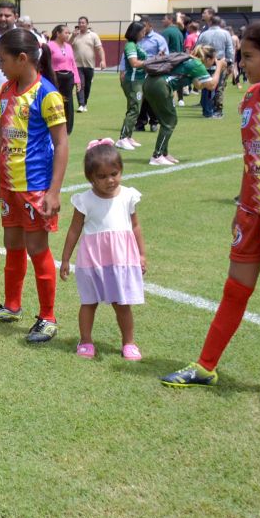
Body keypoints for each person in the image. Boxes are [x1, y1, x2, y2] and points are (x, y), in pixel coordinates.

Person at [161, 20, 260, 403]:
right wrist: (241, 204)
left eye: (248, 56)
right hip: (252, 213)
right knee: (235, 291)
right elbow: (251, 159)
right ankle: (205, 366)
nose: (242, 63)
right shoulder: (250, 97)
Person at [0, 28, 69, 343]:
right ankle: (12, 306)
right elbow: (2, 133)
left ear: (22, 58)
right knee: (12, 246)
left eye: (3, 60)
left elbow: (62, 144)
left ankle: (48, 318)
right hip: (8, 186)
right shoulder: (7, 90)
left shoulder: (47, 94)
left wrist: (53, 192)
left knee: (38, 249)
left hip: (35, 187)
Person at [59, 139, 146, 360]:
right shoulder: (85, 200)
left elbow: (135, 226)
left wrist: (141, 255)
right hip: (92, 260)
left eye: (114, 174)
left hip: (121, 259)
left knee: (122, 303)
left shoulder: (128, 196)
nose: (110, 180)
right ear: (90, 178)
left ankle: (129, 342)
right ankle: (86, 341)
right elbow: (73, 230)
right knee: (89, 302)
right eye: (102, 176)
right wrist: (66, 259)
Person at [142, 44, 226, 165]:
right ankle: (157, 155)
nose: (214, 62)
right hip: (160, 86)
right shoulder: (197, 64)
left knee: (168, 120)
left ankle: (163, 153)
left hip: (150, 83)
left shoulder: (190, 61)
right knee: (170, 121)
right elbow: (212, 85)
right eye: (214, 60)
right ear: (208, 59)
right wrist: (219, 67)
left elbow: (198, 85)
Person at [115, 22, 149, 150]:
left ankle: (128, 136)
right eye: (142, 31)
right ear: (136, 32)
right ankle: (122, 138)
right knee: (134, 108)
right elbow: (134, 63)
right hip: (133, 81)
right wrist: (149, 62)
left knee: (134, 108)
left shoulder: (134, 45)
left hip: (137, 81)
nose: (144, 34)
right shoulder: (130, 46)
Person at [197, 15, 234, 118]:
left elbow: (197, 48)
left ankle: (206, 110)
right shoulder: (225, 33)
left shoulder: (204, 34)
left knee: (205, 85)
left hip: (205, 63)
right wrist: (230, 63)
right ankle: (217, 110)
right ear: (220, 23)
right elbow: (230, 49)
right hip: (219, 62)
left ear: (210, 23)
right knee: (219, 87)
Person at [47, 24, 81, 134]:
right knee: (56, 101)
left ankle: (67, 129)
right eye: (66, 32)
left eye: (68, 33)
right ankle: (54, 125)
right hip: (55, 77)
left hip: (68, 77)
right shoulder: (49, 46)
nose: (68, 35)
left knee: (68, 102)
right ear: (58, 33)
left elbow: (73, 63)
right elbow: (46, 63)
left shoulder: (69, 46)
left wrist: (77, 80)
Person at [71, 16, 105, 112]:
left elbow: (99, 48)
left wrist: (103, 60)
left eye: (83, 22)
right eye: (79, 22)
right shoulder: (74, 35)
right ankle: (81, 104)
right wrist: (73, 36)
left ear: (87, 24)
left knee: (87, 86)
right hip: (77, 65)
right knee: (79, 84)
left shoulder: (93, 35)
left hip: (89, 65)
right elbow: (67, 45)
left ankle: (84, 103)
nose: (81, 24)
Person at [160, 14, 187, 106]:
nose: (162, 21)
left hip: (170, 60)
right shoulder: (179, 31)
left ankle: (171, 101)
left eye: (164, 19)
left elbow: (163, 48)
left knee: (168, 80)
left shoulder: (167, 32)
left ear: (170, 20)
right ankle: (180, 99)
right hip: (179, 59)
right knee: (178, 79)